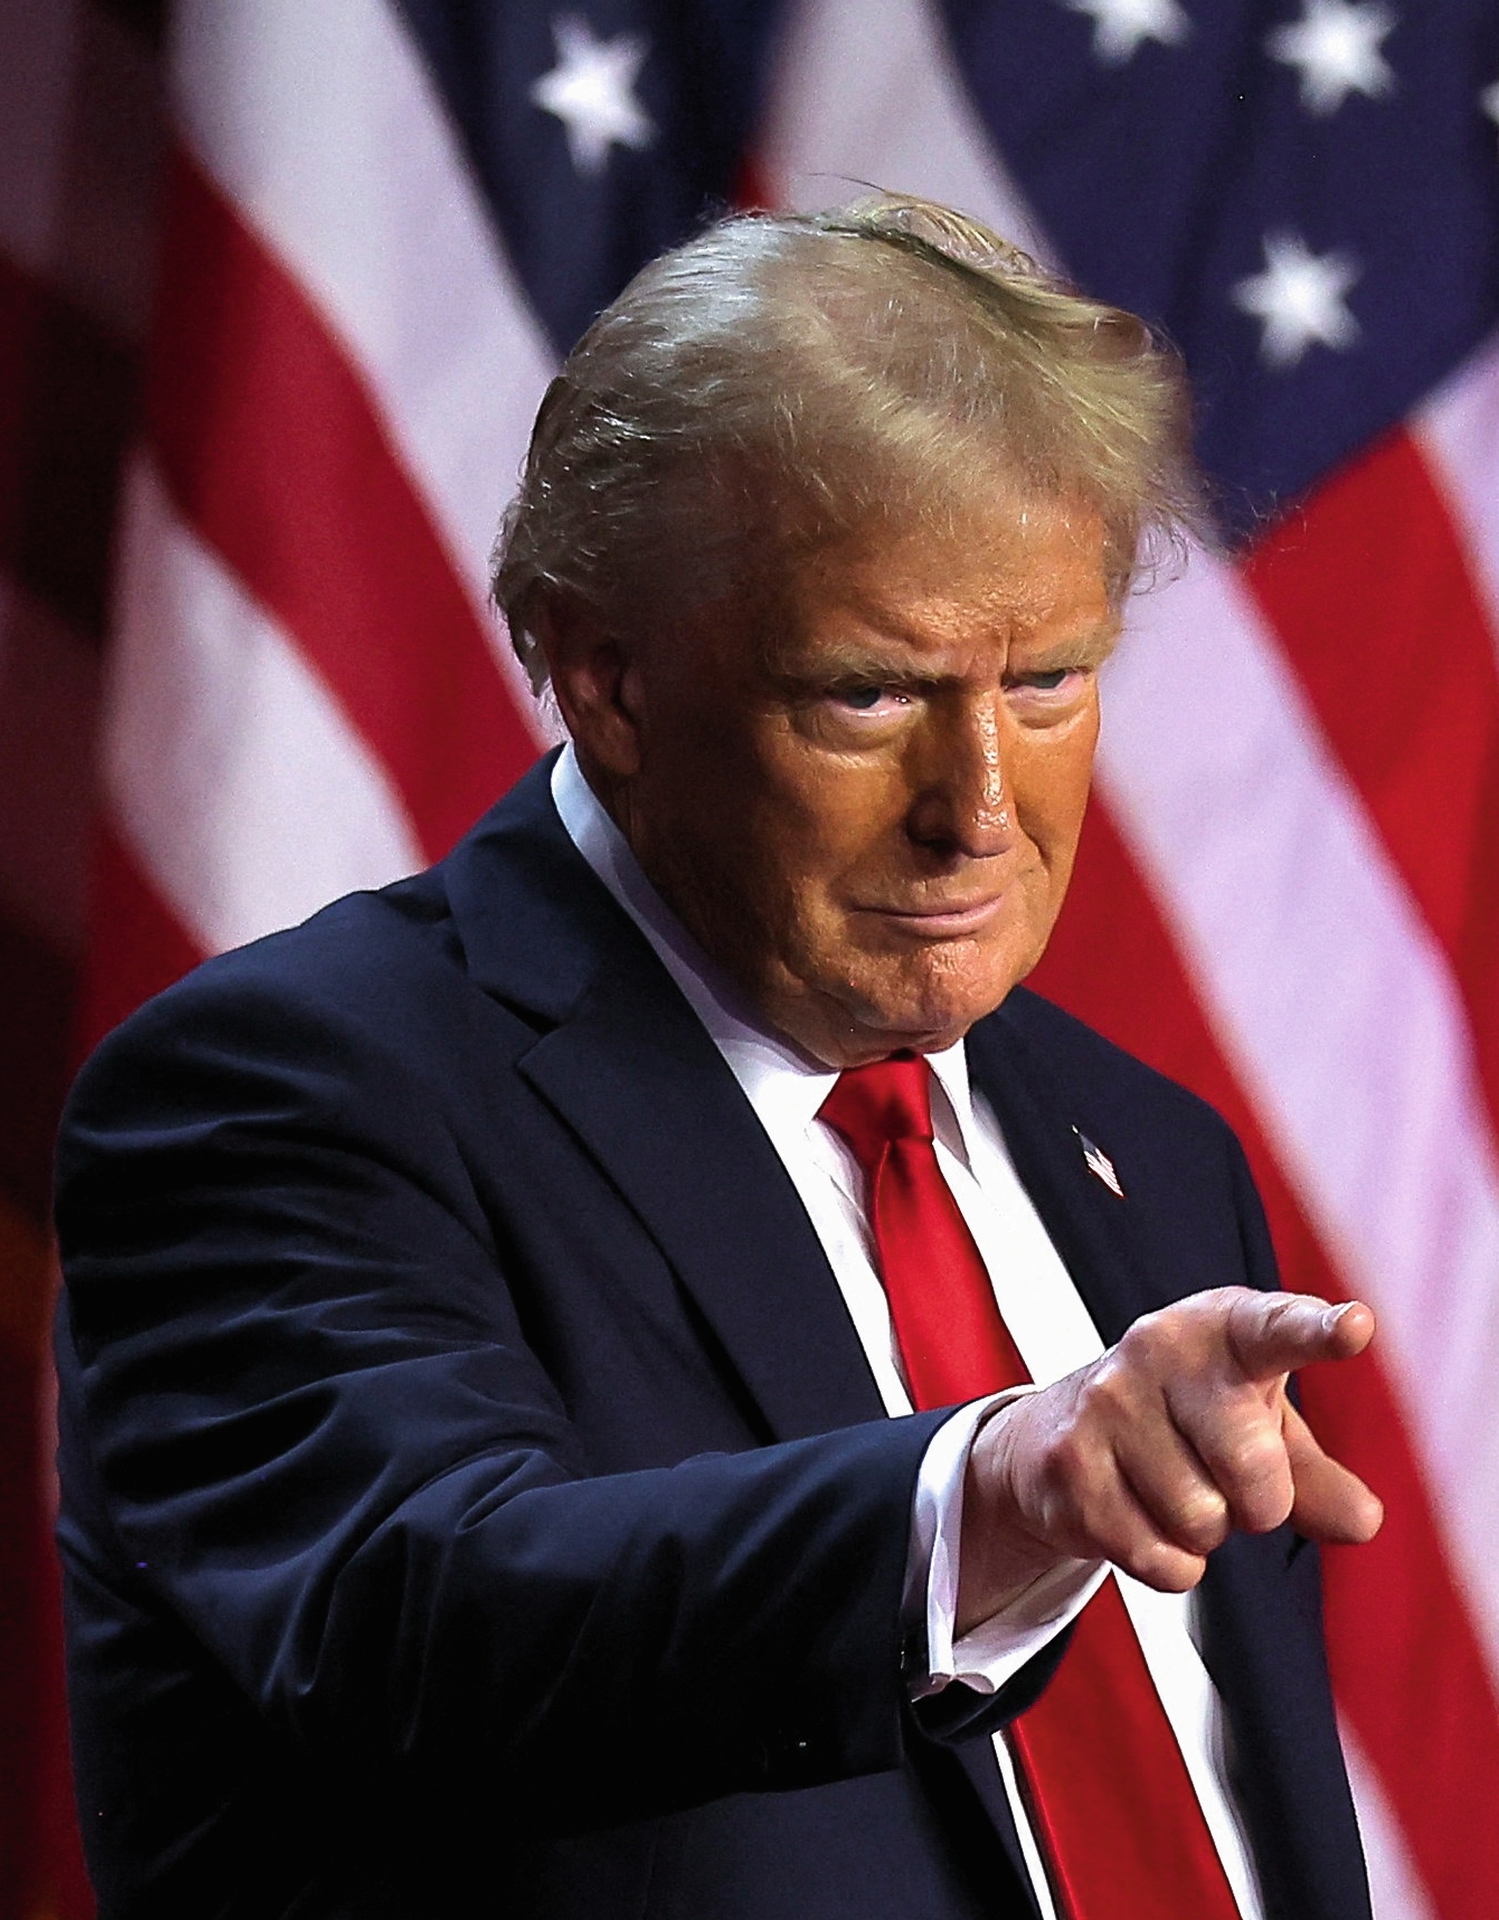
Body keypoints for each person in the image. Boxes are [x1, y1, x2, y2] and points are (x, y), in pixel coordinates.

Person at [54, 197, 1382, 1920]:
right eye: (867, 696)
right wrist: (989, 1492)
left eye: (1048, 679)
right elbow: (430, 1624)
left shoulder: (1147, 1146)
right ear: (605, 678)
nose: (978, 810)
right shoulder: (285, 1089)